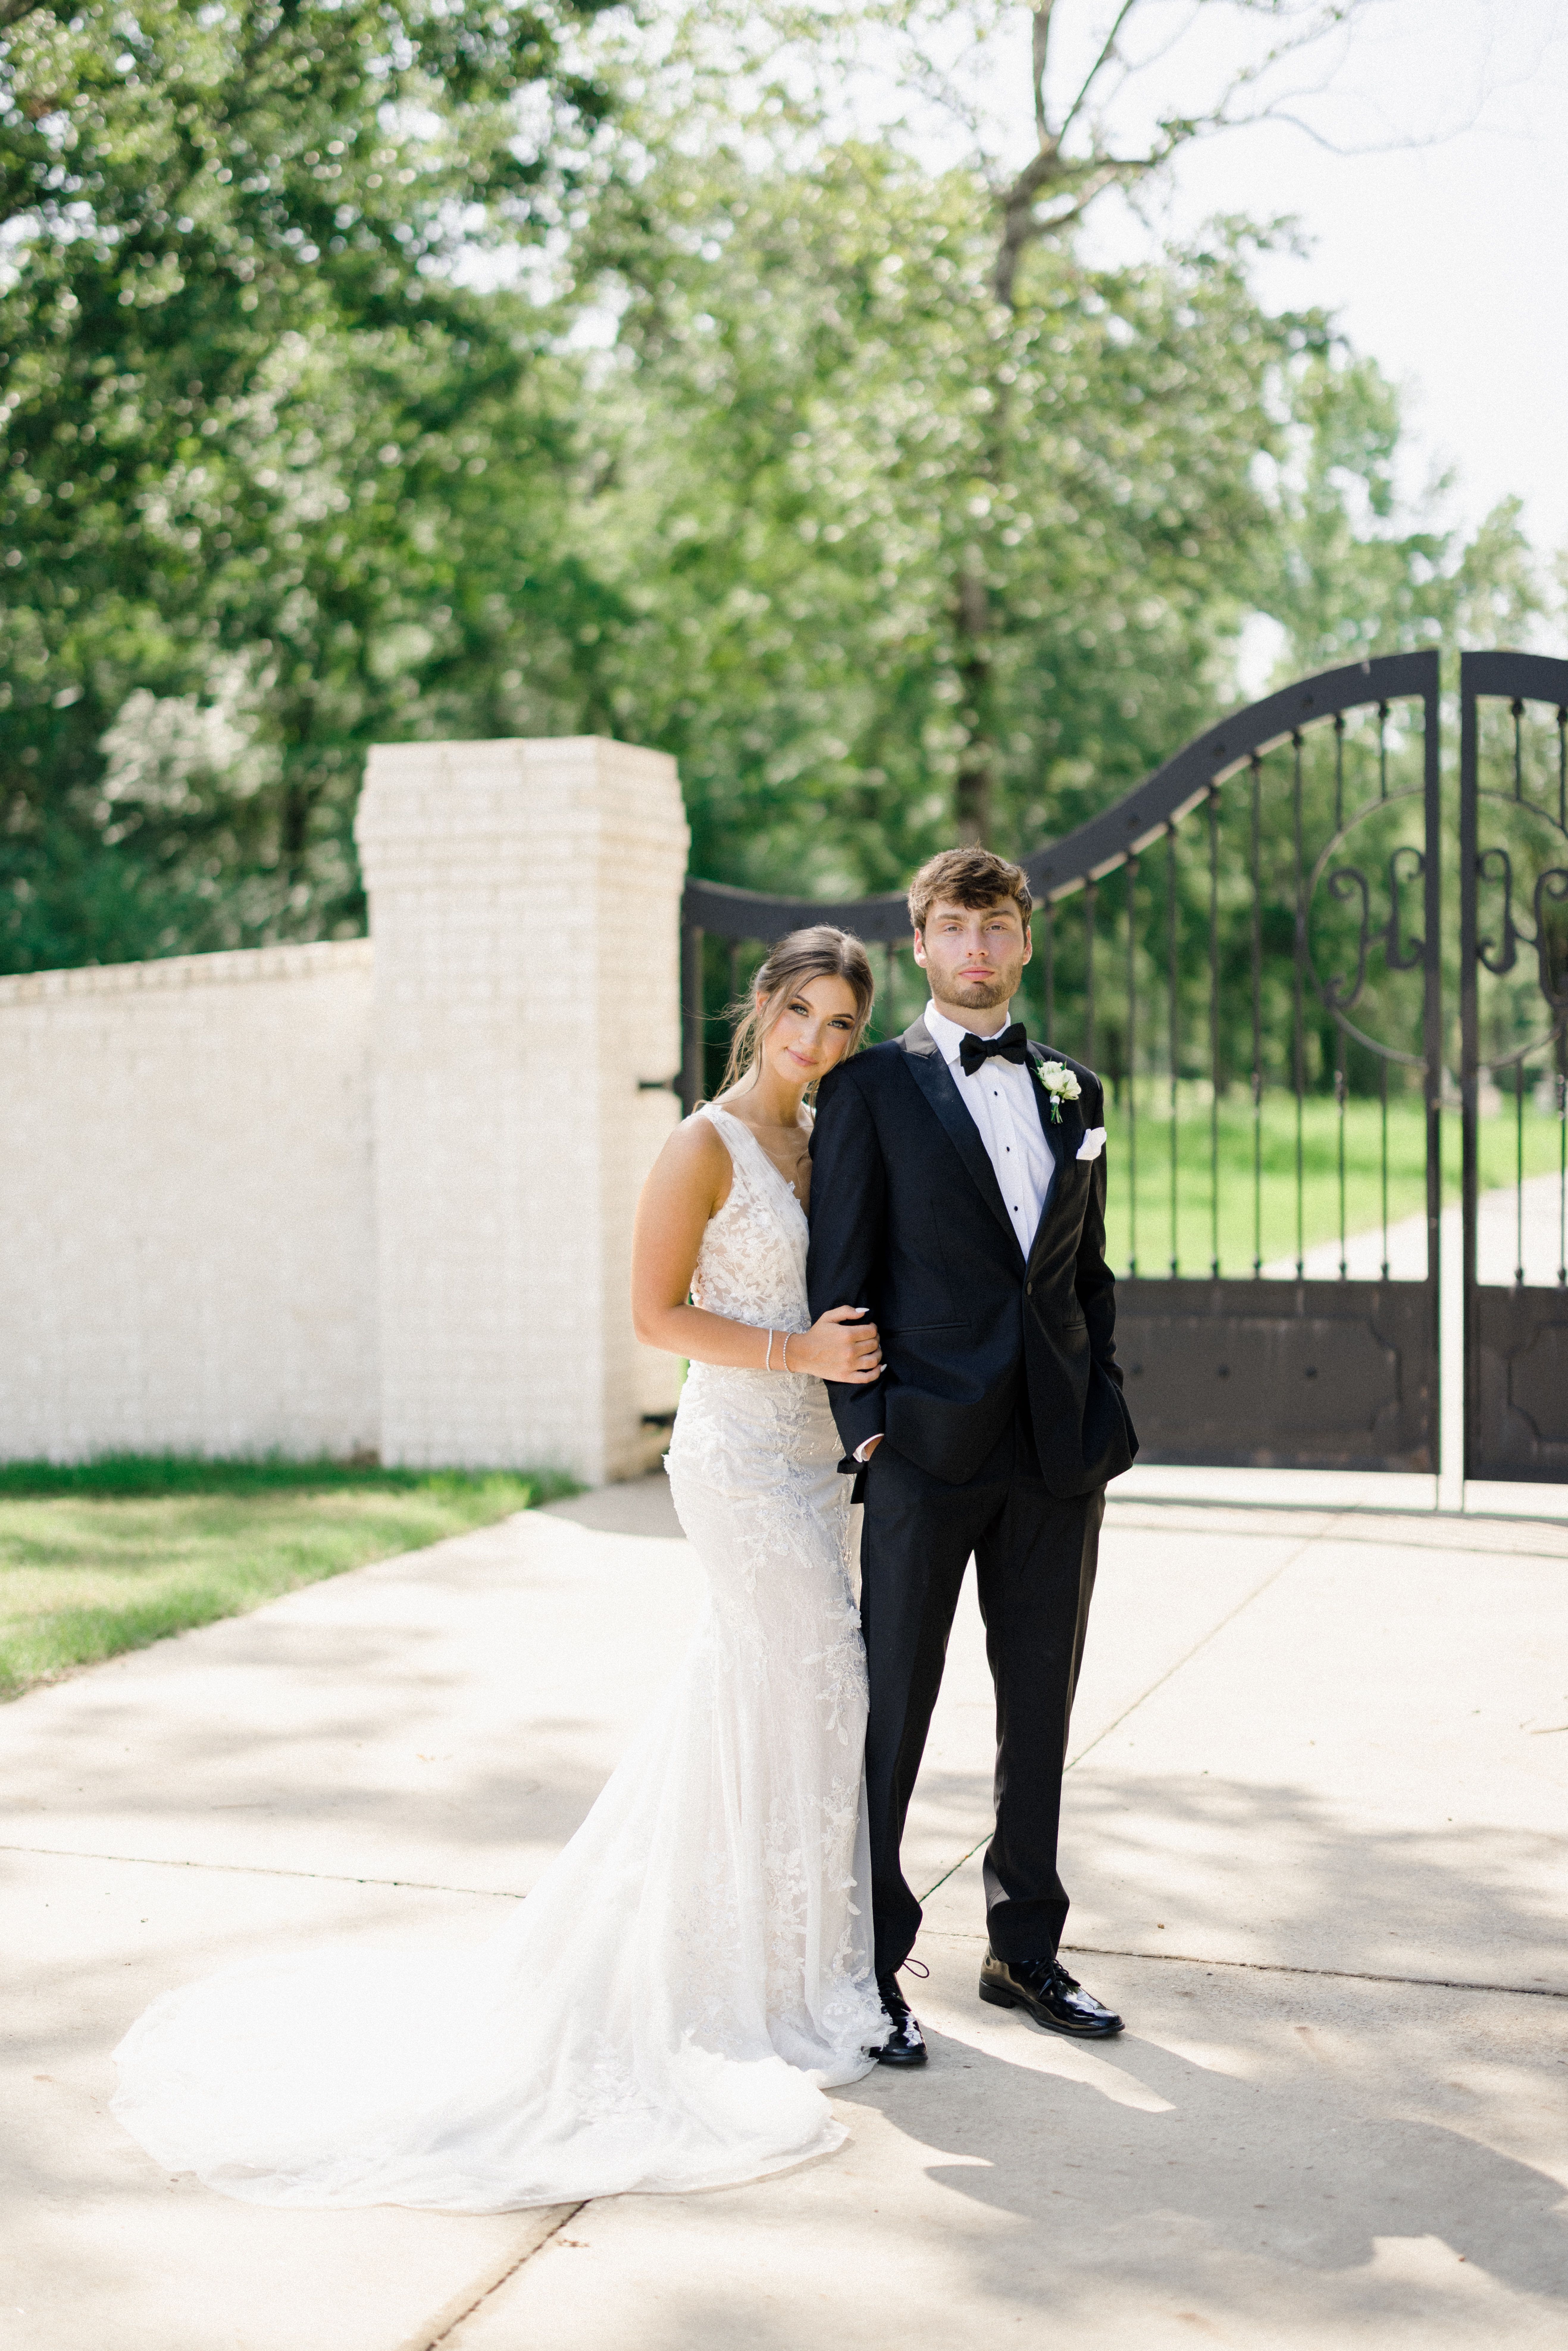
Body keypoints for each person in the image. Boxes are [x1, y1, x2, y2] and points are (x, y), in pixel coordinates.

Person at [111, 925, 890, 2211]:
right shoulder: (703, 1145)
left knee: (783, 1697)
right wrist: (798, 1356)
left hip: (825, 1465)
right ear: (760, 1008)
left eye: (843, 1024)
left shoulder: (836, 1137)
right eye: (801, 1013)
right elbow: (655, 1315)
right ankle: (747, 1988)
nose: (817, 1042)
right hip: (741, 1462)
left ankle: (783, 1966)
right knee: (812, 1669)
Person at [807, 847, 1137, 2066]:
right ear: (923, 944)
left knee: (1039, 1706)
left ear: (1024, 942)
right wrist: (869, 1427)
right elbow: (836, 1276)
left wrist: (1099, 1404)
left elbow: (1084, 1270)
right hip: (924, 1448)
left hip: (1056, 1449)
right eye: (955, 927)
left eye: (996, 927)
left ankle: (1024, 1946)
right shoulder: (869, 1092)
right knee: (894, 1707)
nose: (978, 949)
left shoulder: (1075, 1090)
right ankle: (873, 1964)